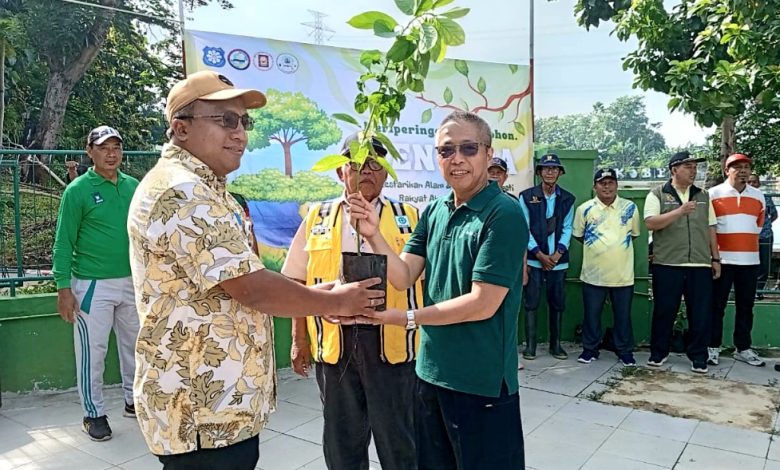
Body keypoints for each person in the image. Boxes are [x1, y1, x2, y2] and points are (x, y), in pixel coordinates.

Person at [126, 70, 384, 469]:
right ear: (180, 128)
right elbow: (251, 287)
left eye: (244, 122)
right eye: (226, 120)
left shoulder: (210, 189)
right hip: (201, 411)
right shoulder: (182, 190)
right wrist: (331, 300)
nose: (241, 134)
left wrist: (319, 299)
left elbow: (245, 277)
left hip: (219, 407)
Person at [348, 111, 527, 469]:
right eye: (446, 150)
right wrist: (373, 233)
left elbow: (483, 304)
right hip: (430, 373)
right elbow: (402, 276)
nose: (456, 158)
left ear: (488, 154)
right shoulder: (435, 210)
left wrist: (406, 318)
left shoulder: (503, 213)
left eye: (468, 148)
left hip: (481, 382)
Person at [282, 132, 423, 470]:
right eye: (356, 164)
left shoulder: (410, 216)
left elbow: (418, 283)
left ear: (386, 172)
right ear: (340, 172)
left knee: (399, 439)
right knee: (342, 440)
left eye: (376, 163)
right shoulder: (317, 217)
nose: (367, 171)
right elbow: (297, 281)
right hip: (335, 342)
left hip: (391, 344)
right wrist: (299, 338)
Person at [52, 125, 140, 442]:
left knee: (136, 347)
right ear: (90, 152)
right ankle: (94, 413)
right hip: (92, 284)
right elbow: (63, 243)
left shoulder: (133, 187)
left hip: (132, 281)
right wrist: (64, 288)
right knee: (93, 351)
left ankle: (134, 401)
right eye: (104, 148)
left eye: (116, 146)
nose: (111, 153)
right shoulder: (77, 191)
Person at [644, 150, 720, 374]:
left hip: (699, 264)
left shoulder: (704, 195)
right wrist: (680, 211)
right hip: (667, 263)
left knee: (700, 313)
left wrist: (715, 258)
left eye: (695, 167)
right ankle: (659, 352)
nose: (693, 171)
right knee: (665, 310)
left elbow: (711, 228)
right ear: (674, 169)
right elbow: (651, 223)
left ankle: (698, 356)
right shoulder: (657, 194)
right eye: (688, 167)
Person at [573, 169, 640, 366]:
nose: (607, 186)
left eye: (611, 182)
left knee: (623, 316)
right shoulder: (584, 209)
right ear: (595, 187)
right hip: (593, 274)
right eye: (602, 183)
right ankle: (590, 349)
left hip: (622, 274)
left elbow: (634, 234)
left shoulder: (630, 207)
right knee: (591, 315)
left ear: (617, 185)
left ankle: (625, 351)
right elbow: (579, 236)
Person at [709, 154, 766, 367]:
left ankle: (743, 348)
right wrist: (715, 257)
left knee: (746, 306)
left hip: (750, 261)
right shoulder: (713, 195)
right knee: (717, 306)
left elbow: (758, 225)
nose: (742, 171)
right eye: (737, 167)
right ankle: (712, 347)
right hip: (723, 260)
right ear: (727, 171)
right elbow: (710, 228)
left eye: (746, 167)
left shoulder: (759, 196)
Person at [518, 153, 575, 360]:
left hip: (558, 262)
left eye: (554, 168)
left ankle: (556, 345)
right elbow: (524, 228)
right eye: (546, 168)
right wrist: (540, 255)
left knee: (557, 303)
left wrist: (558, 253)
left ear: (560, 172)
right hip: (534, 261)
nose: (550, 172)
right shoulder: (526, 196)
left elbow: (568, 228)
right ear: (540, 172)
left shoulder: (568, 198)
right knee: (531, 302)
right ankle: (530, 346)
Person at [748, 173, 778, 298]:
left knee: (764, 265)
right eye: (749, 182)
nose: (751, 184)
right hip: (748, 237)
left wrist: (764, 225)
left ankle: (759, 290)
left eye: (754, 182)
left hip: (765, 235)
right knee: (749, 264)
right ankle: (748, 290)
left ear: (759, 184)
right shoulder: (744, 199)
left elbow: (774, 215)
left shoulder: (765, 197)